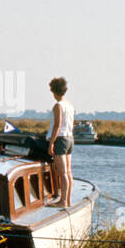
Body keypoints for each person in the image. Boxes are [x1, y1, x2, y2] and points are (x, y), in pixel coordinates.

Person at [45, 76, 74, 208]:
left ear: (53, 91)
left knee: (62, 173)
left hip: (61, 140)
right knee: (68, 172)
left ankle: (62, 201)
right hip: (70, 139)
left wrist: (51, 142)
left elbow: (57, 125)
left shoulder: (58, 106)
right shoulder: (69, 105)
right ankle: (68, 201)